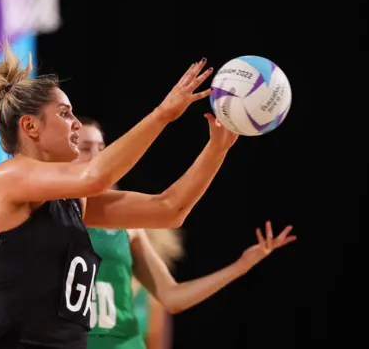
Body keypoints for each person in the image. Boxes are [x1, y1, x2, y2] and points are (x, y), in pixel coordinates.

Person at [0, 41, 238, 349]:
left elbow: (168, 210)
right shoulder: (6, 178)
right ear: (30, 126)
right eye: (65, 113)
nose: (77, 124)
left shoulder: (73, 200)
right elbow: (96, 175)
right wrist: (163, 114)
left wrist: (217, 148)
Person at [76, 118, 296, 349]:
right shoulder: (50, 212)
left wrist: (242, 265)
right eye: (84, 148)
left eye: (101, 148)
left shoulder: (125, 226)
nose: (97, 157)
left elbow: (172, 297)